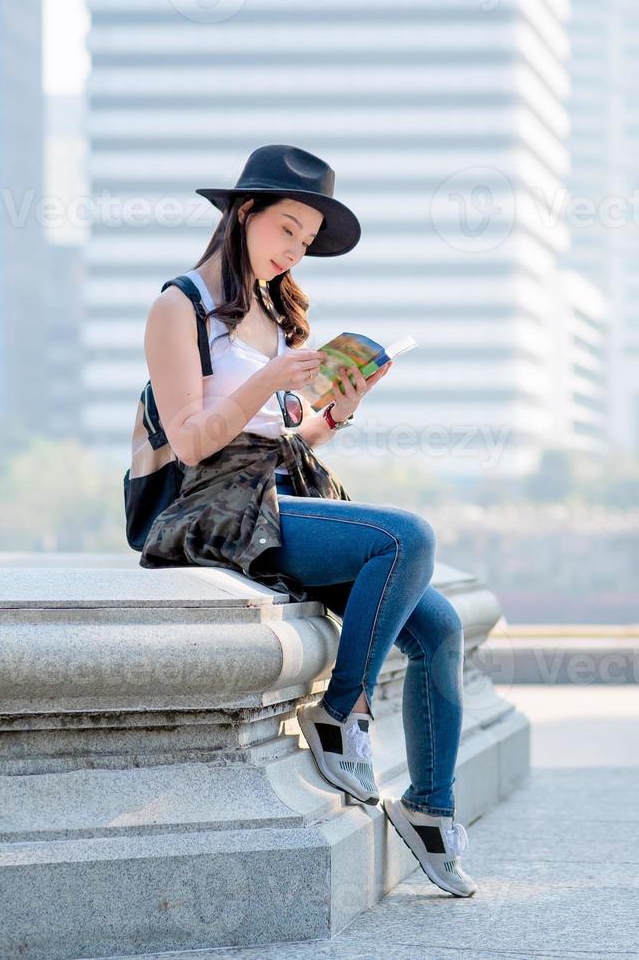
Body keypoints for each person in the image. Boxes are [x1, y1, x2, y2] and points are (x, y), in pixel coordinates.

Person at [142, 144, 476, 897]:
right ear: (243, 213)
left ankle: (431, 810)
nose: (294, 249)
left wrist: (337, 413)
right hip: (219, 508)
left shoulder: (279, 312)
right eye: (286, 229)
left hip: (288, 489)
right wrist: (266, 375)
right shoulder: (179, 306)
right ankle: (340, 713)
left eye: (306, 240)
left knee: (443, 627)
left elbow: (285, 435)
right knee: (406, 535)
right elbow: (190, 440)